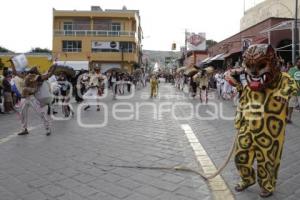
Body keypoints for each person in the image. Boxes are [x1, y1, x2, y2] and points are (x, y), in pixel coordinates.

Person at [225, 44, 298, 198]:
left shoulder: (283, 79)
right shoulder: (248, 83)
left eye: (261, 66)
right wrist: (239, 119)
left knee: (267, 160)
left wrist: (283, 94)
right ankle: (247, 178)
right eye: (250, 66)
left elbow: (293, 86)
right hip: (247, 127)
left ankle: (267, 185)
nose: (254, 71)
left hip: (270, 131)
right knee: (240, 156)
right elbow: (242, 99)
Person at [11, 60, 57, 136]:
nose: (31, 72)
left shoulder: (38, 77)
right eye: (31, 71)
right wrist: (12, 63)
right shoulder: (26, 76)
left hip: (32, 98)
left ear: (36, 72)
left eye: (33, 70)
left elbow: (49, 75)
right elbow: (15, 72)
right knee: (22, 114)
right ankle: (24, 129)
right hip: (24, 98)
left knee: (41, 113)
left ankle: (48, 128)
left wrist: (54, 68)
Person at [287, 58, 300, 123]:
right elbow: (288, 79)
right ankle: (289, 118)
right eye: (299, 62)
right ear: (296, 62)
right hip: (294, 91)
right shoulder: (292, 70)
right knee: (290, 105)